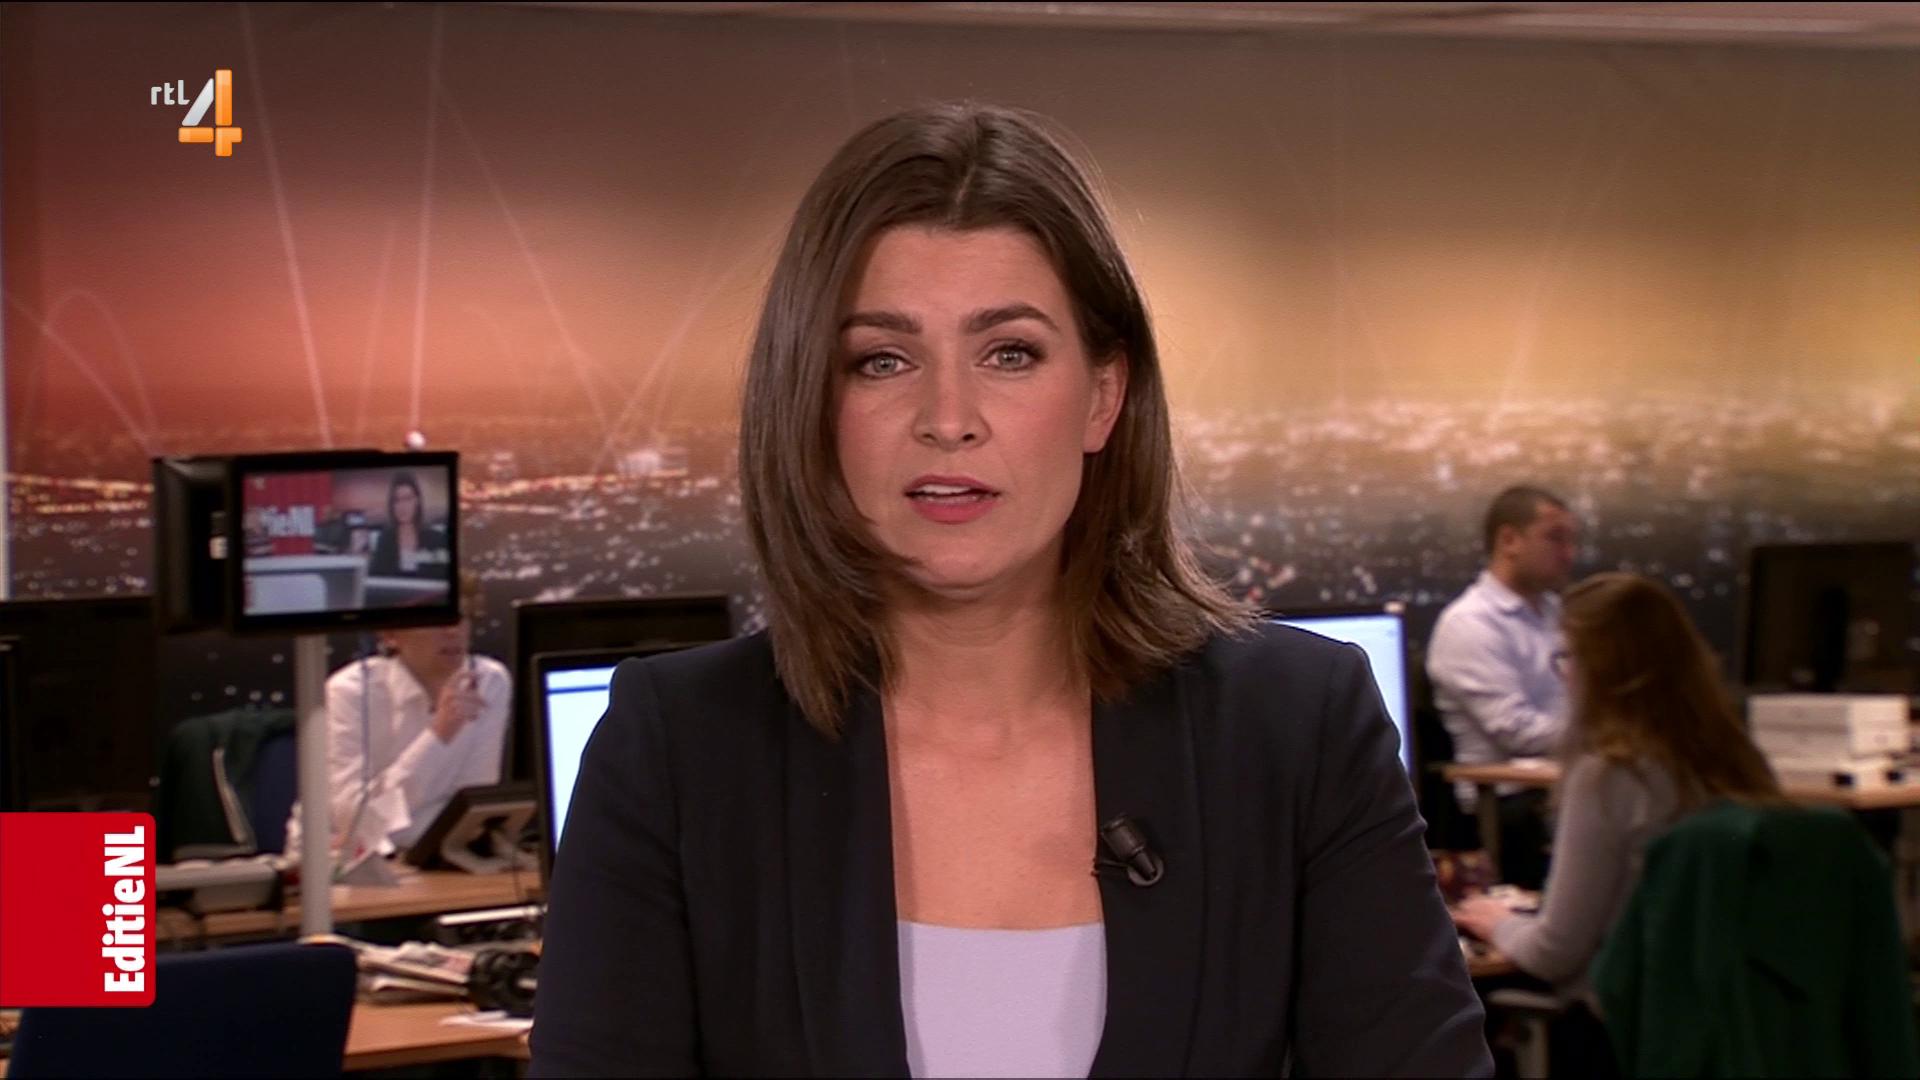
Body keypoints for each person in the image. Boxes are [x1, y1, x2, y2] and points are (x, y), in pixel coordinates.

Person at [530, 103, 1489, 1078]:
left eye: (1010, 354)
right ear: (813, 404)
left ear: (1103, 397)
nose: (949, 418)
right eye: (883, 361)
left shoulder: (1296, 726)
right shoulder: (678, 751)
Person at [1452, 572, 1782, 1076]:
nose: (1564, 676)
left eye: (1568, 658)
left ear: (1603, 669)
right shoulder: (1740, 762)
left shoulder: (1610, 775)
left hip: (1624, 1035)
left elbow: (1553, 953)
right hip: (1734, 1032)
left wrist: (1498, 922)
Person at [288, 573, 512, 856]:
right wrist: (438, 735)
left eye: (461, 617)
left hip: (433, 853)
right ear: (390, 635)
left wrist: (388, 826)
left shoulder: (489, 681)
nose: (453, 630)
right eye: (434, 619)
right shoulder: (350, 691)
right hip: (334, 863)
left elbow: (471, 813)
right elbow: (355, 820)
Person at [1426, 485, 1578, 889]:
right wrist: (1606, 735)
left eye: (1572, 541)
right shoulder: (1470, 624)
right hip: (1509, 803)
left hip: (1564, 784)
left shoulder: (1555, 613)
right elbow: (1517, 732)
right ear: (1509, 540)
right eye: (1555, 538)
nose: (1569, 554)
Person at [368, 471, 451, 579]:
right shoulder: (385, 539)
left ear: (417, 501)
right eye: (397, 500)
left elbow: (442, 574)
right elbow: (376, 577)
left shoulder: (436, 538)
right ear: (392, 505)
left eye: (407, 499)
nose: (402, 506)